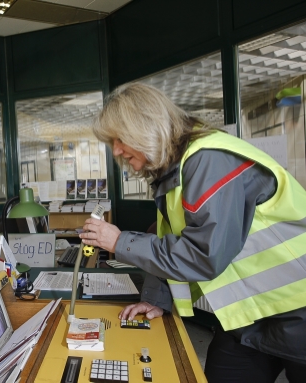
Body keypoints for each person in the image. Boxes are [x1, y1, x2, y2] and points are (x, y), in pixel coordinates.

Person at [79, 83, 306, 382]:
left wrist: (119, 241)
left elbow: (202, 254)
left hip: (297, 311)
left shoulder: (208, 160)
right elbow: (172, 238)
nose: (116, 150)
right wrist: (157, 298)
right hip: (249, 313)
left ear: (146, 127)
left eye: (119, 139)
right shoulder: (175, 171)